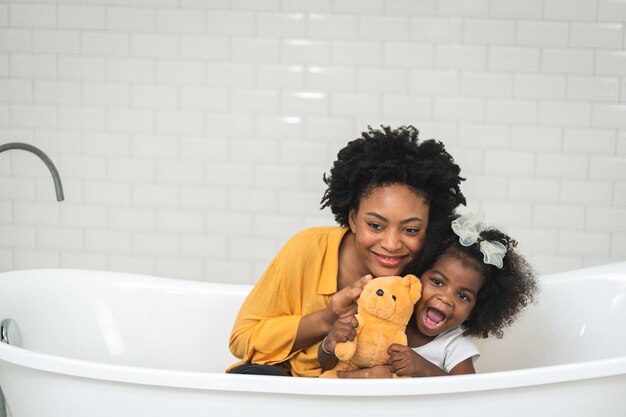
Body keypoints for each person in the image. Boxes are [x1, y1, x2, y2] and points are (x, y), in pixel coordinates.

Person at [228, 125, 466, 377]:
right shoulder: (307, 248)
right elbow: (241, 340)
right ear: (353, 218)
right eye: (375, 225)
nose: (392, 244)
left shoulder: (426, 271)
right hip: (290, 388)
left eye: (410, 230)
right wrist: (326, 319)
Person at [324, 211, 538, 378]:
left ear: (475, 310)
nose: (445, 298)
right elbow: (327, 363)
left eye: (463, 296)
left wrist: (423, 369)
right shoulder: (386, 315)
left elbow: (467, 395)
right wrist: (330, 343)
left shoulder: (453, 345)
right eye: (437, 282)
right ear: (417, 277)